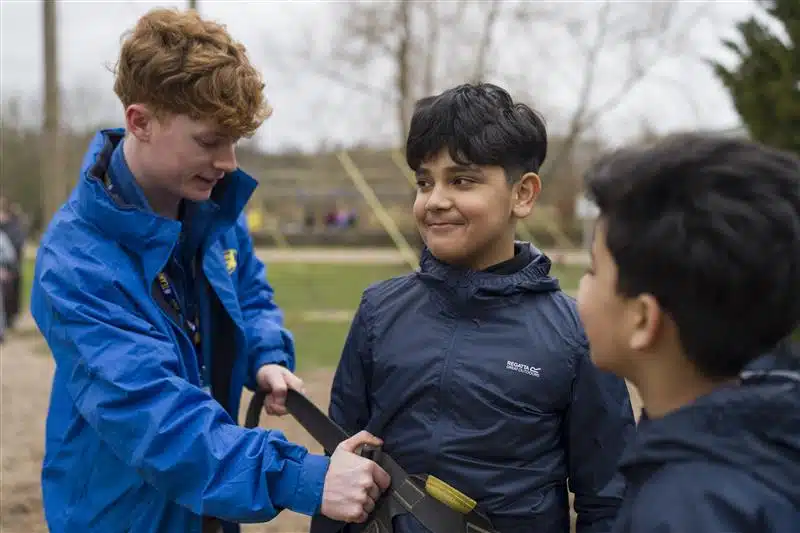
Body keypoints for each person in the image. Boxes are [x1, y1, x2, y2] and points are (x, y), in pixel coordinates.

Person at [30, 8, 389, 533]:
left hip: (211, 506)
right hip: (123, 515)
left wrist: (265, 355)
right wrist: (301, 478)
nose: (229, 162)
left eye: (235, 140)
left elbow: (248, 288)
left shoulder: (209, 205)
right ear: (140, 121)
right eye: (209, 141)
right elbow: (154, 417)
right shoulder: (74, 261)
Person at [328, 83, 636, 533]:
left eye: (462, 180)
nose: (435, 200)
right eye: (424, 182)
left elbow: (610, 500)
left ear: (523, 195)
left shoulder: (576, 333)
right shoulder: (379, 310)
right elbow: (338, 465)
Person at [576, 133, 800, 533]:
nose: (581, 289)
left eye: (593, 271)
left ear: (643, 320)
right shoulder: (767, 443)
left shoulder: (687, 512)